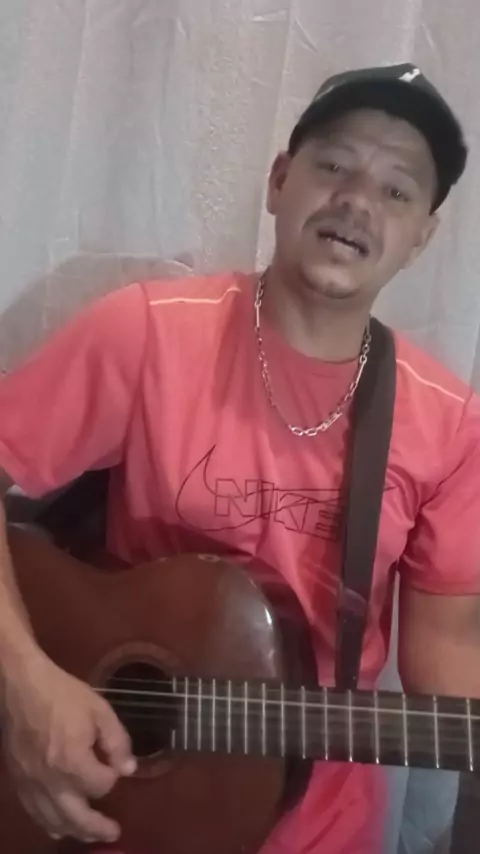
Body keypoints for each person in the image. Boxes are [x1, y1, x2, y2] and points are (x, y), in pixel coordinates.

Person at [0, 61, 478, 854]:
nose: (358, 201)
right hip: (121, 805)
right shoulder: (148, 334)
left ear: (422, 236)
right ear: (280, 181)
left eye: (398, 191)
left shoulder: (450, 424)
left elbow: (448, 661)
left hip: (323, 829)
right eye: (334, 165)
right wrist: (24, 684)